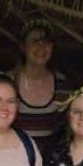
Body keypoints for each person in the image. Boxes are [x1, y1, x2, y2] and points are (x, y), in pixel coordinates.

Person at [11, 19, 68, 147]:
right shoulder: (7, 82)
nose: (41, 47)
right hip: (11, 158)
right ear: (23, 46)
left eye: (46, 42)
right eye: (35, 41)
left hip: (50, 160)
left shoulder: (62, 83)